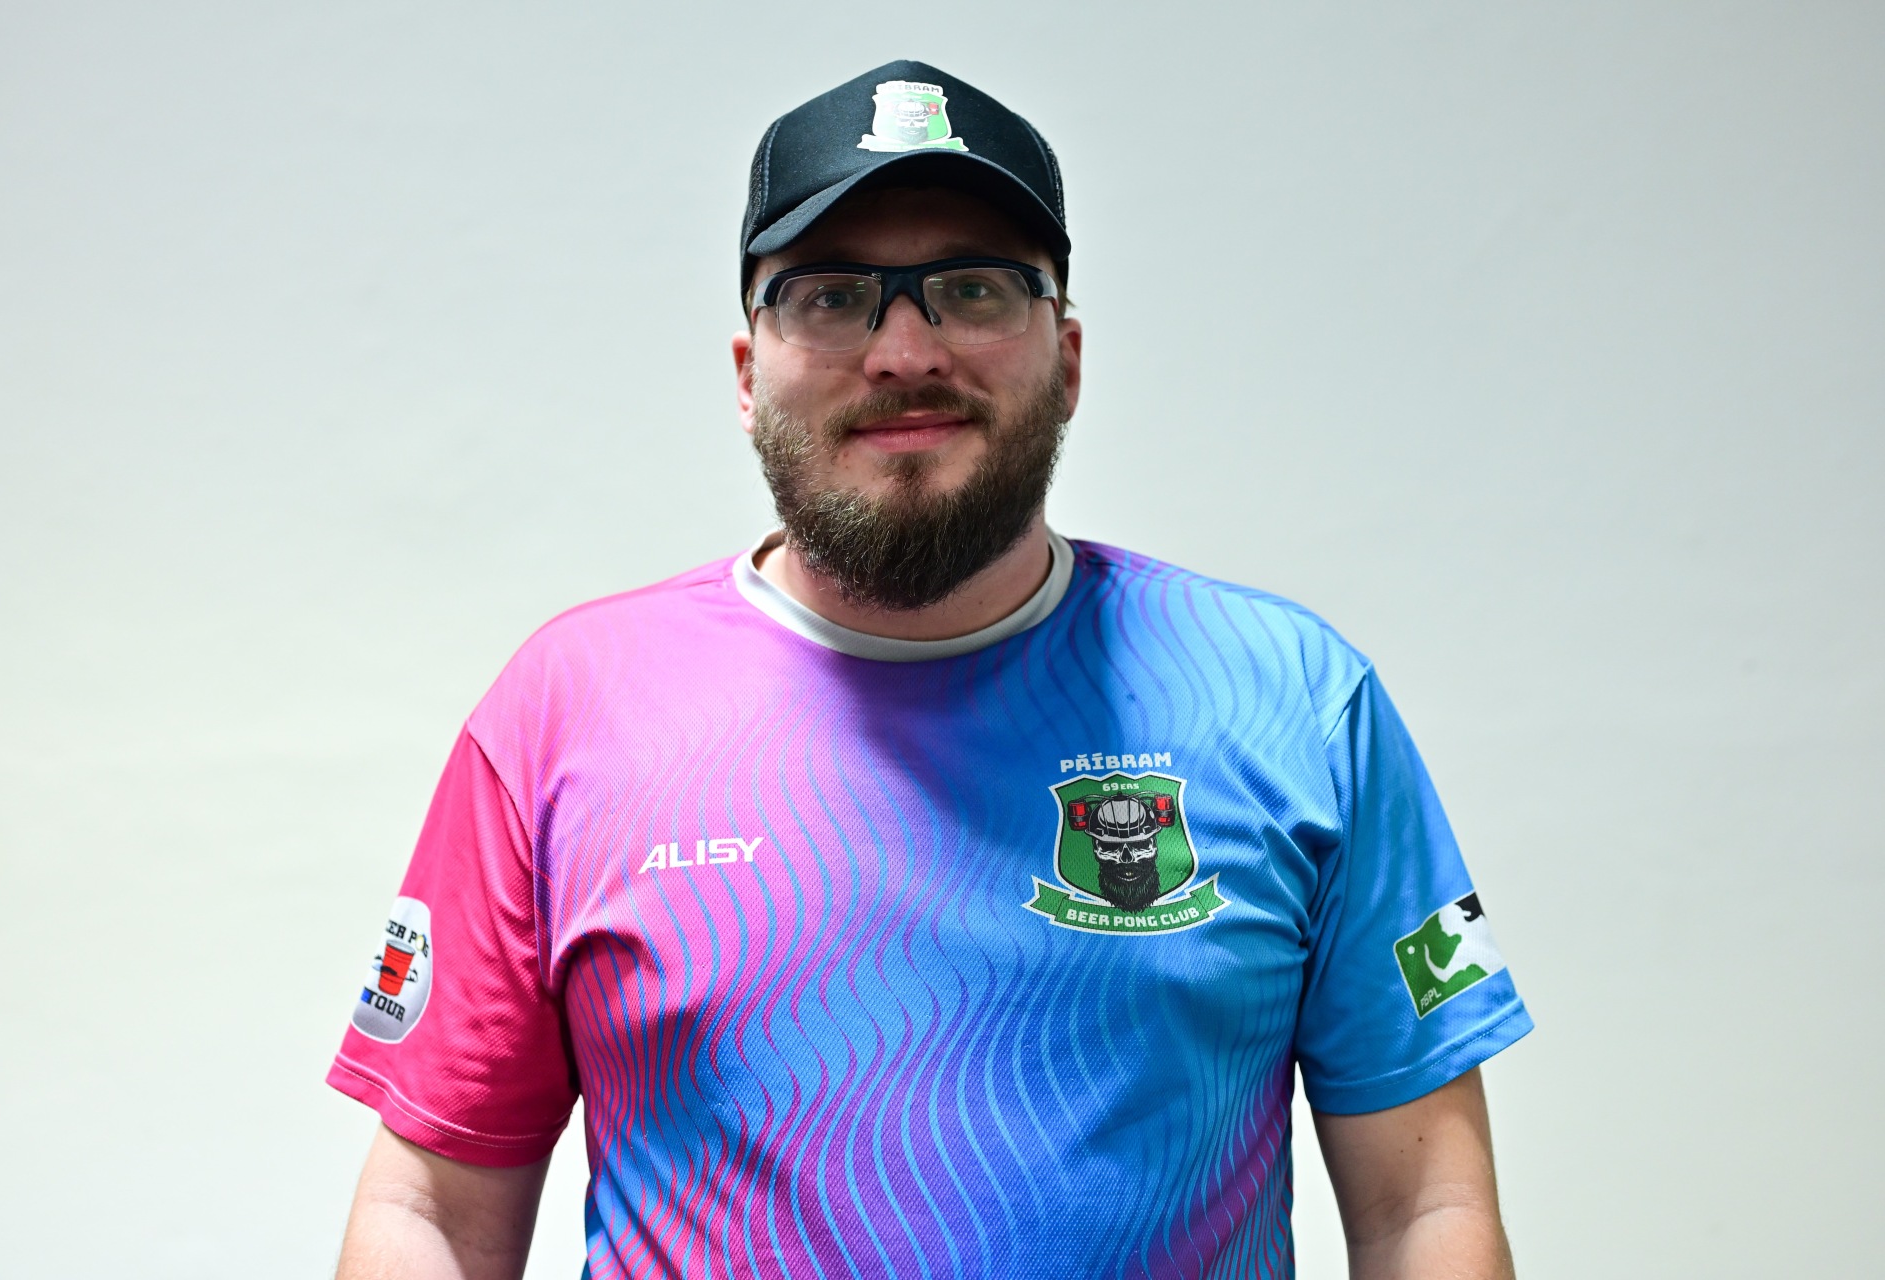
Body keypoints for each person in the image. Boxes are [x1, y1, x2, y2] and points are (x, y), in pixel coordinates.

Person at [329, 59, 1532, 1280]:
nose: (906, 350)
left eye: (972, 287)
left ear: (1068, 358)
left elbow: (1422, 1208)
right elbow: (431, 1212)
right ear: (748, 373)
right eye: (832, 295)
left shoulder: (1294, 700)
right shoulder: (567, 709)